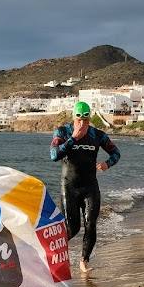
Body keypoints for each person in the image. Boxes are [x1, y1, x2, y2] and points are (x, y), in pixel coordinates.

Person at [50, 101, 120, 273]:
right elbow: (54, 155)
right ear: (73, 118)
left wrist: (107, 164)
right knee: (72, 228)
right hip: (69, 186)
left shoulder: (98, 135)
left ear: (89, 119)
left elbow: (116, 153)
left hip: (90, 186)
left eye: (86, 120)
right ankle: (53, 253)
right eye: (79, 120)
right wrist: (73, 138)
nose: (82, 124)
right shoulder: (63, 132)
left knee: (91, 224)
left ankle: (84, 261)